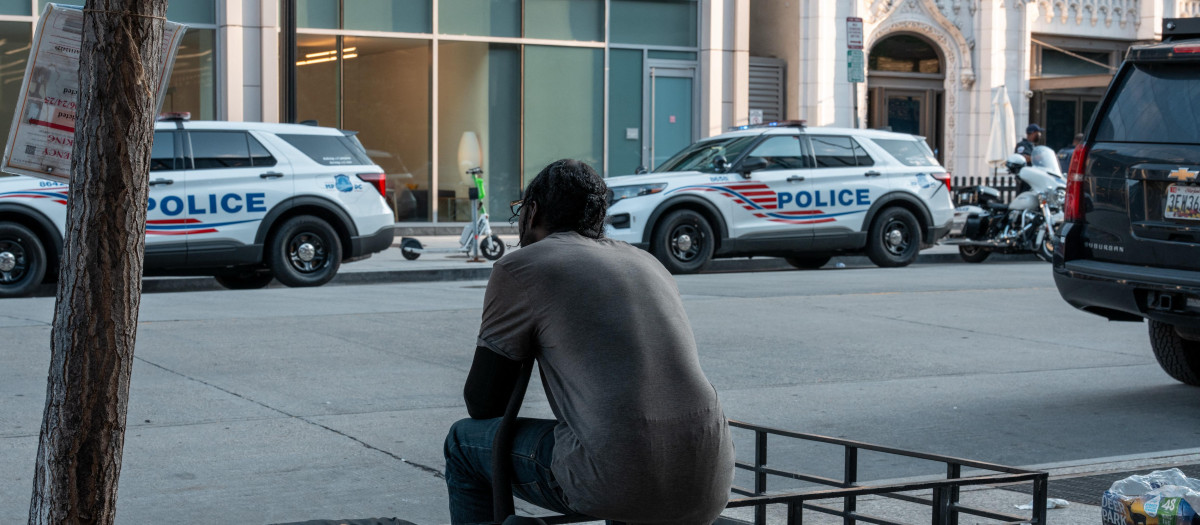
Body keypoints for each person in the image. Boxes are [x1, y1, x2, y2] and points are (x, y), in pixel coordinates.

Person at [444, 159, 734, 524]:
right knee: (614, 442)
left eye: (520, 210)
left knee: (462, 443)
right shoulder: (648, 262)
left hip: (616, 477)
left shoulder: (522, 266)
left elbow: (483, 403)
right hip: (711, 476)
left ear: (531, 212)